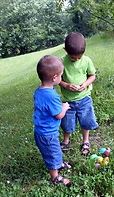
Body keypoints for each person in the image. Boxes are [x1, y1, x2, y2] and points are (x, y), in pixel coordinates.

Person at [33, 55, 72, 187]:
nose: (61, 78)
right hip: (47, 133)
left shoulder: (39, 90)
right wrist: (65, 107)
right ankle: (55, 177)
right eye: (61, 75)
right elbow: (58, 115)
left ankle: (59, 163)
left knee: (54, 150)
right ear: (55, 77)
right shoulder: (51, 96)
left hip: (42, 131)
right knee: (52, 153)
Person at [60, 32, 99, 155]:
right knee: (67, 122)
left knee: (86, 120)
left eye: (79, 57)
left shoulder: (86, 61)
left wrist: (85, 84)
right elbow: (57, 80)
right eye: (73, 58)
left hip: (84, 98)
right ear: (65, 50)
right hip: (68, 100)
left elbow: (92, 76)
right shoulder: (61, 62)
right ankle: (66, 141)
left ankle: (85, 141)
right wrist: (66, 85)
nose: (76, 60)